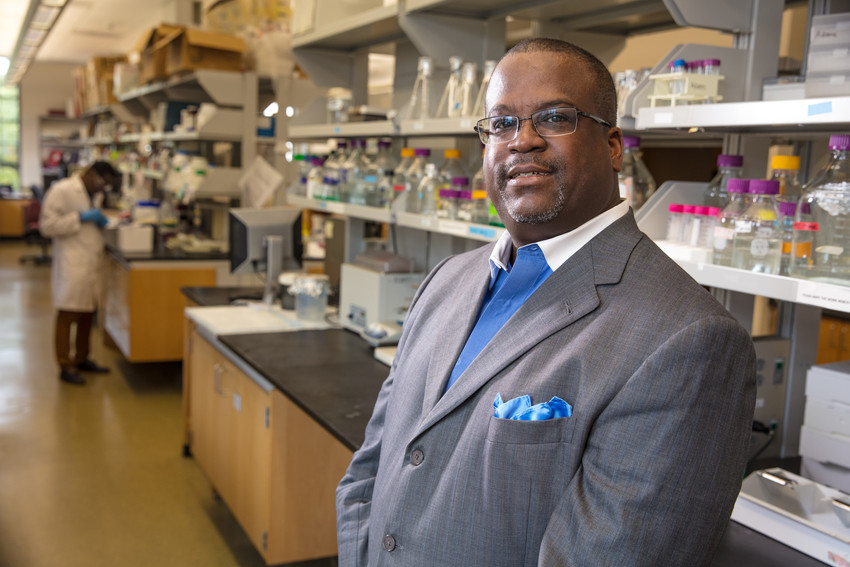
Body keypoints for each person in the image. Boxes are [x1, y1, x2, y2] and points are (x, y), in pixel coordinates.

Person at [336, 38, 756, 566]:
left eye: (554, 118)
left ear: (612, 145)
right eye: (502, 123)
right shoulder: (446, 280)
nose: (522, 141)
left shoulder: (688, 339)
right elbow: (369, 470)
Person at [40, 161, 119, 386]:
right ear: (92, 174)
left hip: (91, 261)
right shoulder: (62, 190)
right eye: (102, 183)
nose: (103, 189)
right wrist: (79, 218)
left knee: (87, 313)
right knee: (68, 315)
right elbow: (47, 226)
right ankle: (65, 365)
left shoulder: (93, 194)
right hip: (72, 262)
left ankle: (82, 358)